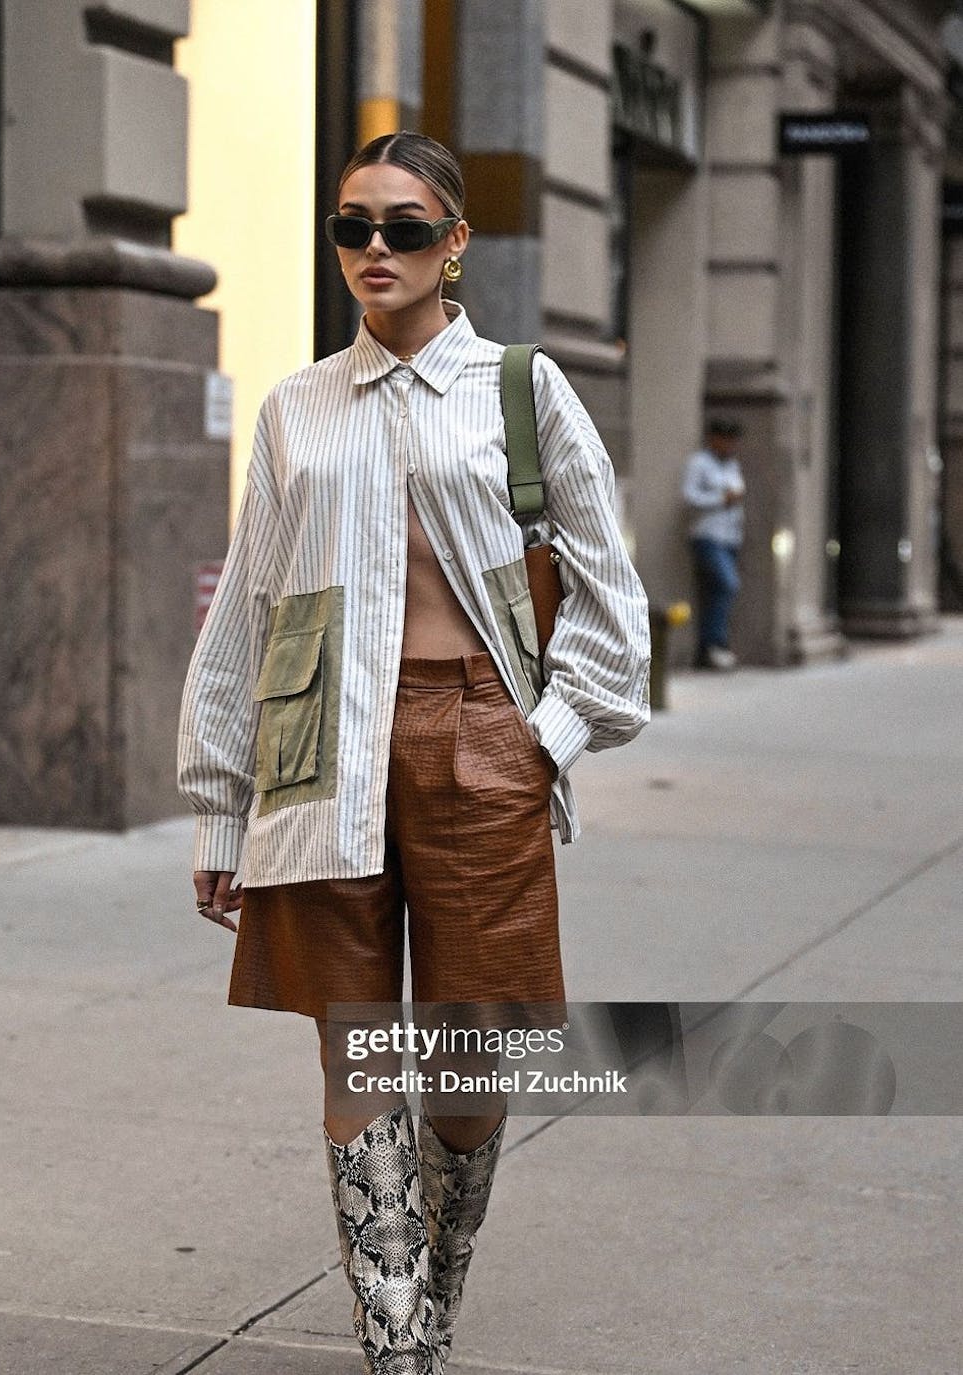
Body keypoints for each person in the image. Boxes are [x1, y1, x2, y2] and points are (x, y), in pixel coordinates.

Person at [176, 131, 651, 1375]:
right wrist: (222, 811)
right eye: (349, 227)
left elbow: (609, 602)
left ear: (453, 243)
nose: (370, 250)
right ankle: (396, 1343)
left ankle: (431, 1286)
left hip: (474, 734)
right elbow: (252, 617)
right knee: (353, 1040)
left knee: (460, 1056)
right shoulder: (296, 407)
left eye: (399, 227)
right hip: (315, 738)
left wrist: (538, 743)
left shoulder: (519, 387)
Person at [682, 418, 746, 670]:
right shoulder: (700, 463)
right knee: (726, 583)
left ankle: (710, 648)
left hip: (730, 537)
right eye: (726, 439)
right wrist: (721, 499)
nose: (730, 445)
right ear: (714, 438)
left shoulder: (732, 465)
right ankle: (714, 644)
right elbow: (690, 497)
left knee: (717, 592)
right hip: (707, 536)